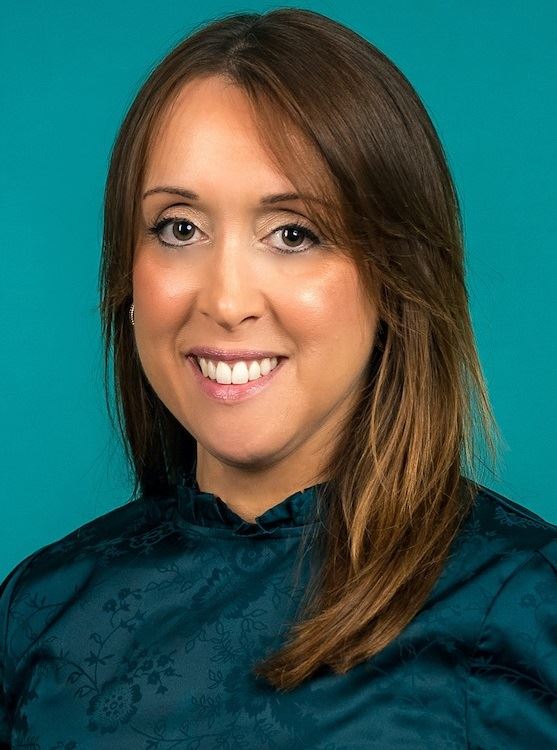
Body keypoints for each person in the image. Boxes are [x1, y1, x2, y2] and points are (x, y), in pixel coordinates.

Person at [1, 7, 555, 748]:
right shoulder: (40, 610)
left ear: (396, 278)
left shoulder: (527, 606)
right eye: (179, 228)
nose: (226, 301)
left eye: (294, 234)